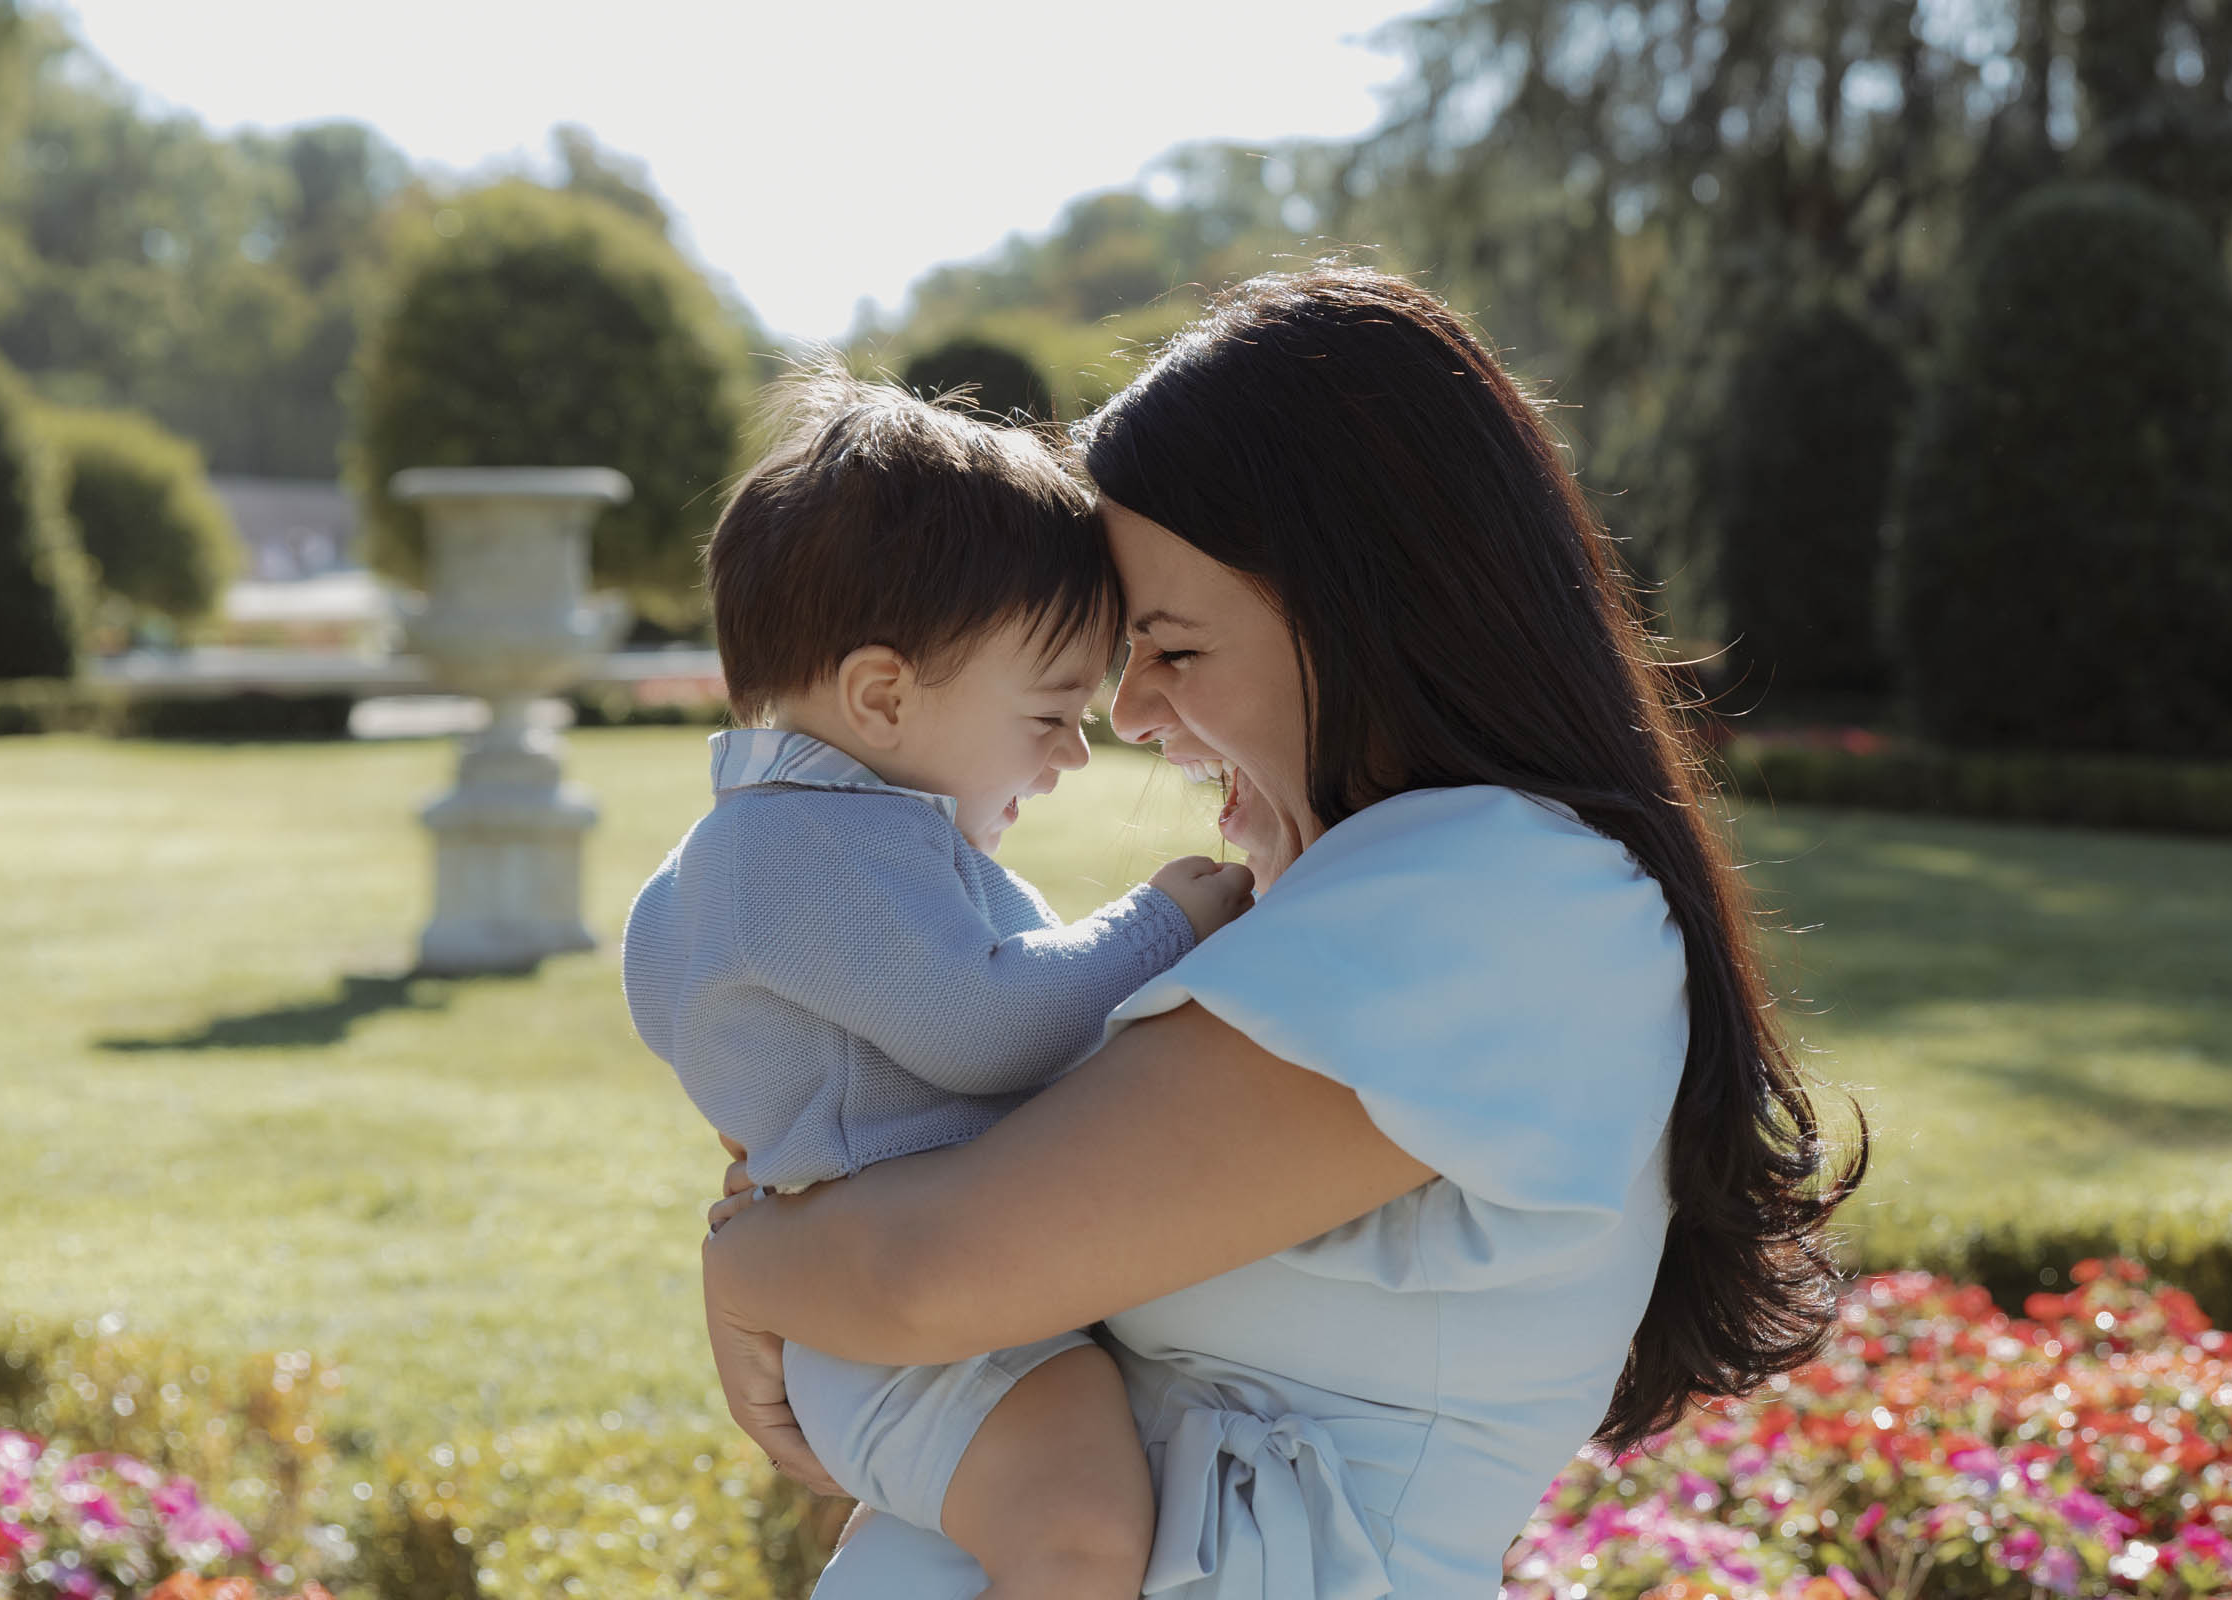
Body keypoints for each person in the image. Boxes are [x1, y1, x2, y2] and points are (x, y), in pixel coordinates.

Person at [700, 268, 1866, 1600]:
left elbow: (925, 1271)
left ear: (1374, 614)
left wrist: (747, 1267)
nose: (1131, 713)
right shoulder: (1415, 897)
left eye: (1175, 650)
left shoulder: (1492, 903)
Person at [624, 377, 1256, 1600]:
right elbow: (990, 1023)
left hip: (887, 1308)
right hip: (921, 1310)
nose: (1076, 752)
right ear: (881, 696)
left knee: (947, 1550)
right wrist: (1161, 922)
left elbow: (668, 994)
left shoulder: (754, 845)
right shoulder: (820, 845)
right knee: (1075, 1525)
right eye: (1048, 713)